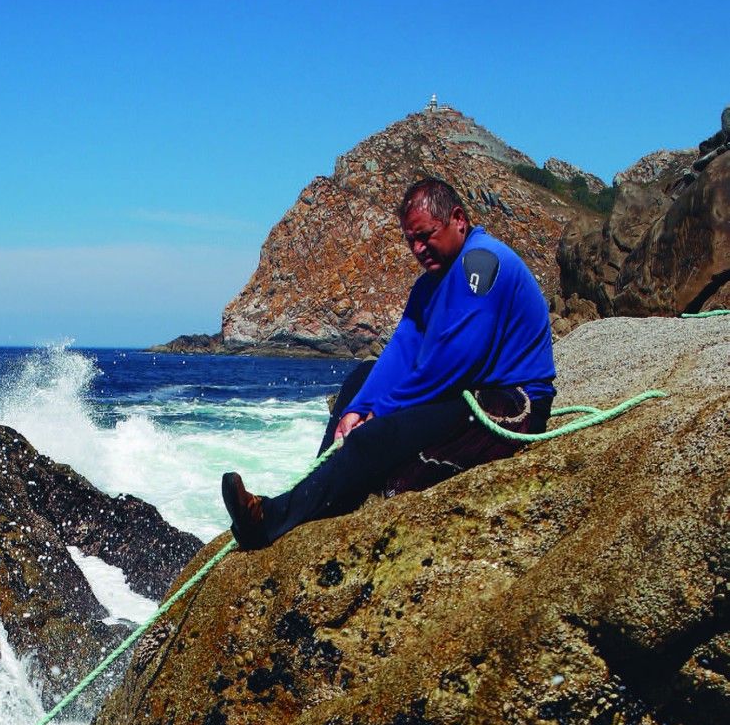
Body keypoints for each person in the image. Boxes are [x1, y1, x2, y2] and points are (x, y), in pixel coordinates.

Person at [221, 177, 557, 549]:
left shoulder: (481, 262)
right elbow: (401, 351)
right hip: (468, 391)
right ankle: (321, 486)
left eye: (426, 235)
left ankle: (268, 522)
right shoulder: (428, 284)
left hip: (510, 402)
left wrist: (381, 411)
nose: (418, 248)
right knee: (358, 381)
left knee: (375, 434)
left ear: (458, 220)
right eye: (410, 240)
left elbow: (455, 361)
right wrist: (361, 406)